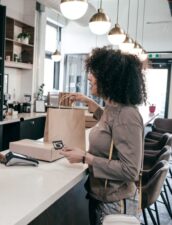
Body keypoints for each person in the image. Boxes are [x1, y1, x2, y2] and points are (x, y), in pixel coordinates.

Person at [60, 47, 147, 225]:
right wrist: (89, 102)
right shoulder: (114, 108)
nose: (89, 77)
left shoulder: (127, 115)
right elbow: (111, 127)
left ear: (109, 79)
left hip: (116, 203)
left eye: (94, 73)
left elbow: (130, 170)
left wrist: (86, 158)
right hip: (104, 197)